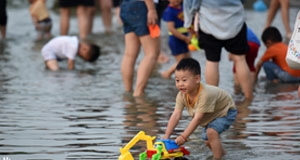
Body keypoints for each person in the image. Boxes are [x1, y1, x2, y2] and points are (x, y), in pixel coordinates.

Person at [162, 58, 237, 160]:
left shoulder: (204, 94)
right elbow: (176, 114)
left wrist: (184, 136)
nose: (180, 84)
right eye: (177, 80)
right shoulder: (181, 95)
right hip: (211, 115)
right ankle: (223, 155)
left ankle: (218, 158)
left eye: (184, 80)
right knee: (208, 141)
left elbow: (197, 119)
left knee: (211, 133)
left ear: (197, 79)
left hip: (225, 111)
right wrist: (166, 135)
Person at [184, 0, 253, 101]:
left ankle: (212, 101)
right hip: (235, 18)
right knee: (240, 59)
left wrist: (189, 21)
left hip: (209, 19)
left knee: (212, 61)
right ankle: (249, 99)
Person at [120, 0, 160, 97]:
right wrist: (151, 9)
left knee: (129, 55)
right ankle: (138, 93)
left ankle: (128, 92)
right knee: (151, 53)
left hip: (126, 6)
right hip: (143, 6)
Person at [161, 0, 191, 79]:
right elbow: (171, 28)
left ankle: (186, 77)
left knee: (189, 60)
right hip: (175, 40)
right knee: (181, 62)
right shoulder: (169, 11)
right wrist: (184, 38)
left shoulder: (183, 8)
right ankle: (168, 73)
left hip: (184, 39)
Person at [229, 27, 260, 94]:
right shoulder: (240, 24)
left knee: (237, 64)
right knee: (250, 65)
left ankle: (237, 91)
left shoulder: (229, 28)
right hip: (255, 44)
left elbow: (230, 57)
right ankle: (251, 89)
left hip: (243, 42)